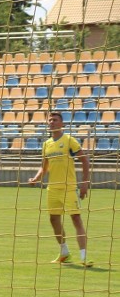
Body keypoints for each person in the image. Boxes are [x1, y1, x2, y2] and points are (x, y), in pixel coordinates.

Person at [28, 112, 93, 266]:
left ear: (61, 124)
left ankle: (84, 257)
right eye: (49, 120)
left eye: (55, 120)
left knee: (76, 218)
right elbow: (44, 167)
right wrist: (35, 179)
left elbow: (85, 161)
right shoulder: (47, 144)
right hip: (53, 189)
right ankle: (64, 253)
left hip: (69, 188)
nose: (51, 122)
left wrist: (84, 183)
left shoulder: (69, 140)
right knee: (53, 219)